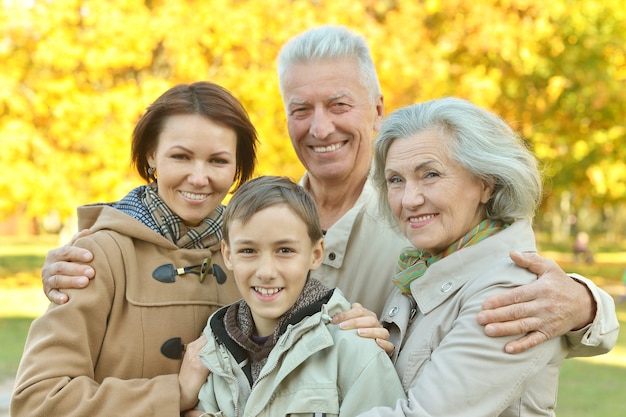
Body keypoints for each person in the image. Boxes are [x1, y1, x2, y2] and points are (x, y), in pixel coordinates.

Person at [40, 25, 617, 356]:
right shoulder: (249, 219)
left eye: (339, 105)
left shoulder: (426, 213)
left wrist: (588, 304)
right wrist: (84, 258)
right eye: (301, 110)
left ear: (377, 109)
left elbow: (518, 298)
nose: (321, 128)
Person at [11, 81, 259, 417]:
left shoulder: (254, 257)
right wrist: (175, 394)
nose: (199, 178)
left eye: (217, 161)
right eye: (181, 156)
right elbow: (37, 401)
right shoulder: (98, 256)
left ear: (236, 168)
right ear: (151, 155)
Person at [358, 97, 608, 416]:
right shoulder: (421, 269)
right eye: (396, 180)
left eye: (430, 174)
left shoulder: (510, 291)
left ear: (485, 184)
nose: (409, 199)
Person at [192, 175, 406, 416]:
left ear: (316, 254)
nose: (266, 272)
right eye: (248, 250)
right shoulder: (214, 346)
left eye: (285, 250)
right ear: (228, 255)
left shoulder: (352, 349)